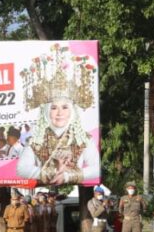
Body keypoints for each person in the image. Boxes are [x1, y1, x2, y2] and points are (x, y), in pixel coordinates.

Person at [16, 49, 100, 185]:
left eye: (65, 107)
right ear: (47, 112)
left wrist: (67, 176)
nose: (59, 113)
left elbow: (97, 168)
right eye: (54, 108)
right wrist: (53, 173)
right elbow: (22, 169)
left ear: (72, 111)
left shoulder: (84, 139)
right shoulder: (35, 140)